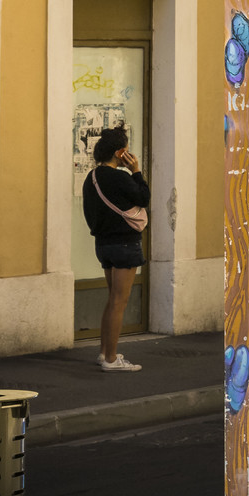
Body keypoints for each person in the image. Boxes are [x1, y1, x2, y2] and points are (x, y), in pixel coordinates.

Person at [82, 124, 150, 372]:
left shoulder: (91, 179)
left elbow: (90, 214)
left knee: (112, 300)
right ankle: (111, 359)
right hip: (124, 245)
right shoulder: (120, 177)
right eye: (127, 151)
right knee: (119, 302)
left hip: (103, 245)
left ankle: (105, 353)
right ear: (120, 152)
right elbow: (143, 197)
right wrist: (136, 171)